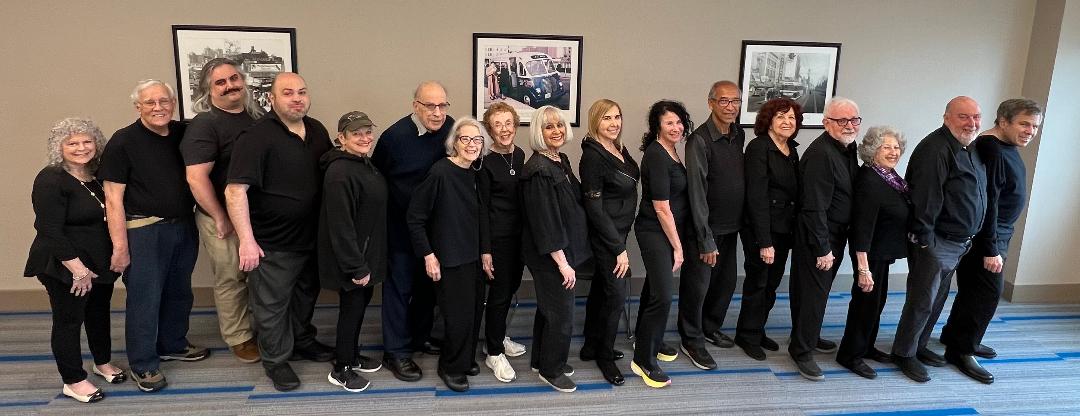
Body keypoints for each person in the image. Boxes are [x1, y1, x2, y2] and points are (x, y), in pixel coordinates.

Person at [225, 72, 335, 391]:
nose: (297, 98)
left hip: (311, 238)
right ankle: (275, 360)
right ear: (271, 99)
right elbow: (235, 191)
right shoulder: (256, 137)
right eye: (287, 93)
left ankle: (301, 340)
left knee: (304, 296)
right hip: (273, 241)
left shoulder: (317, 130)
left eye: (301, 92)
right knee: (271, 305)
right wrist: (246, 241)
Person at [100, 79, 208, 393]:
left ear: (173, 103)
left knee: (179, 291)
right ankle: (144, 364)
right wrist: (120, 246)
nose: (158, 107)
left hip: (182, 225)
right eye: (150, 102)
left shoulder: (183, 133)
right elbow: (113, 199)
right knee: (145, 298)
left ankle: (172, 343)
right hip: (143, 231)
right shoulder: (123, 142)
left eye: (164, 101)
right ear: (138, 107)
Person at [939, 98, 1042, 384]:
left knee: (973, 291)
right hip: (988, 236)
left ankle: (955, 336)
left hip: (999, 233)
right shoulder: (991, 148)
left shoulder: (1004, 145)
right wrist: (990, 248)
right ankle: (961, 350)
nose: (1030, 131)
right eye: (1024, 124)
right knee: (986, 293)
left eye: (1035, 126)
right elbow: (990, 201)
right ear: (1003, 121)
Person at [25, 118, 124, 403]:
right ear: (60, 147)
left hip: (98, 261)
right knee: (69, 320)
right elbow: (48, 229)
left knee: (98, 313)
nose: (81, 148)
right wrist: (78, 270)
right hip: (64, 264)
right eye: (72, 143)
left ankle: (102, 362)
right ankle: (73, 380)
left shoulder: (97, 176)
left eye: (87, 141)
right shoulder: (51, 179)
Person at [893, 96, 987, 383]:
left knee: (937, 298)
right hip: (934, 242)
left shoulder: (968, 147)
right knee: (922, 300)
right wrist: (924, 241)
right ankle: (904, 353)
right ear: (947, 118)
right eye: (963, 116)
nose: (971, 123)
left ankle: (919, 345)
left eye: (976, 117)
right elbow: (926, 197)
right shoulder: (935, 149)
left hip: (958, 241)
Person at [180, 58, 264, 363]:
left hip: (256, 215)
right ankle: (239, 337)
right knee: (232, 276)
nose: (230, 86)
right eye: (220, 82)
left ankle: (265, 329)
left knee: (261, 277)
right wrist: (219, 216)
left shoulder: (257, 117)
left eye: (234, 78)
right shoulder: (205, 124)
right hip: (221, 215)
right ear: (208, 90)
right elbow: (196, 178)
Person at [371, 81, 456, 381]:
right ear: (415, 106)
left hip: (435, 231)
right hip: (401, 228)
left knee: (427, 288)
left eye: (442, 105)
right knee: (399, 289)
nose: (437, 112)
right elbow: (376, 178)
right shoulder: (394, 137)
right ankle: (395, 352)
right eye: (430, 106)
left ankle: (420, 337)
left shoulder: (451, 129)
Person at [408, 117, 491, 392]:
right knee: (458, 317)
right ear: (454, 143)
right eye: (465, 139)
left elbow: (480, 216)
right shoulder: (440, 172)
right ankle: (451, 367)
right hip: (449, 257)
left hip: (472, 256)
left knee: (473, 313)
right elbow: (415, 218)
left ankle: (465, 359)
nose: (471, 144)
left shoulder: (474, 172)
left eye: (477, 139)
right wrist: (428, 255)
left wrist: (485, 252)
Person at [787, 97, 861, 381]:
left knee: (815, 293)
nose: (849, 125)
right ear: (826, 123)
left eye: (854, 120)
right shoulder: (821, 154)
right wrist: (822, 248)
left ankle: (807, 335)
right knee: (813, 296)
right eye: (842, 120)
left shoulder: (847, 147)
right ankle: (802, 351)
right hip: (819, 237)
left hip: (835, 235)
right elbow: (813, 207)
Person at [519, 105, 590, 393]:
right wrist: (562, 263)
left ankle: (541, 361)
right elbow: (545, 222)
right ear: (538, 131)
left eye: (559, 125)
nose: (557, 131)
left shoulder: (559, 159)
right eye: (549, 127)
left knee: (548, 310)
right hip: (551, 256)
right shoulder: (539, 170)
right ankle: (552, 370)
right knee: (561, 315)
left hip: (563, 251)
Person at [318, 111, 387, 392]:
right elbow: (341, 225)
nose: (364, 138)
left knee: (358, 307)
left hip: (366, 254)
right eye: (356, 134)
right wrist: (356, 266)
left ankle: (352, 355)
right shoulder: (339, 173)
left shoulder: (362, 162)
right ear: (341, 138)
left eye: (367, 132)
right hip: (352, 259)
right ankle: (341, 368)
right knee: (351, 310)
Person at [835, 126, 911, 379]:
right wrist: (863, 269)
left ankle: (866, 346)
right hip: (869, 255)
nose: (893, 152)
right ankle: (850, 355)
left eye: (896, 147)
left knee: (877, 303)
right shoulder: (870, 181)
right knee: (864, 306)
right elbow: (862, 228)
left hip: (882, 253)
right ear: (872, 150)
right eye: (886, 147)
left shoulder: (888, 177)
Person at [632, 100, 695, 388]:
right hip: (654, 231)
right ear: (657, 125)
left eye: (679, 122)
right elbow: (661, 207)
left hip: (667, 231)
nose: (676, 127)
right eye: (669, 122)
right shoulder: (657, 155)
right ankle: (643, 360)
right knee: (663, 295)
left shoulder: (671, 150)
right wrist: (678, 247)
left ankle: (649, 340)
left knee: (653, 289)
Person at [682, 80, 746, 369]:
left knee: (725, 284)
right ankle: (691, 339)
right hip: (706, 230)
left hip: (731, 227)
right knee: (697, 288)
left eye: (735, 101)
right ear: (711, 103)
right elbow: (697, 192)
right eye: (724, 101)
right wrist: (705, 238)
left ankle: (709, 327)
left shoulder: (738, 134)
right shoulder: (699, 140)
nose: (731, 107)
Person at [734, 98, 802, 361]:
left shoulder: (790, 149)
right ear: (768, 121)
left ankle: (757, 328)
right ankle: (747, 335)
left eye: (791, 118)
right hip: (761, 230)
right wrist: (765, 242)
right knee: (758, 283)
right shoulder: (758, 147)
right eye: (780, 117)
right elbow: (756, 196)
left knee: (771, 284)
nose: (787, 122)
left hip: (784, 229)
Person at [578, 99, 639, 385]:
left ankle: (591, 345)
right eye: (607, 118)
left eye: (617, 117)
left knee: (602, 291)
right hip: (607, 237)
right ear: (595, 122)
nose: (614, 123)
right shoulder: (592, 157)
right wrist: (618, 248)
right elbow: (594, 208)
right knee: (615, 296)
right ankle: (605, 356)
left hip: (619, 232)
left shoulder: (617, 147)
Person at [478, 102, 528, 384]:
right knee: (498, 294)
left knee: (510, 289)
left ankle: (495, 337)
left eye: (508, 123)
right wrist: (485, 250)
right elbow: (482, 208)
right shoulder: (484, 161)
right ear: (489, 129)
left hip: (519, 237)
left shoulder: (519, 155)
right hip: (497, 239)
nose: (504, 129)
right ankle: (494, 353)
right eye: (497, 124)